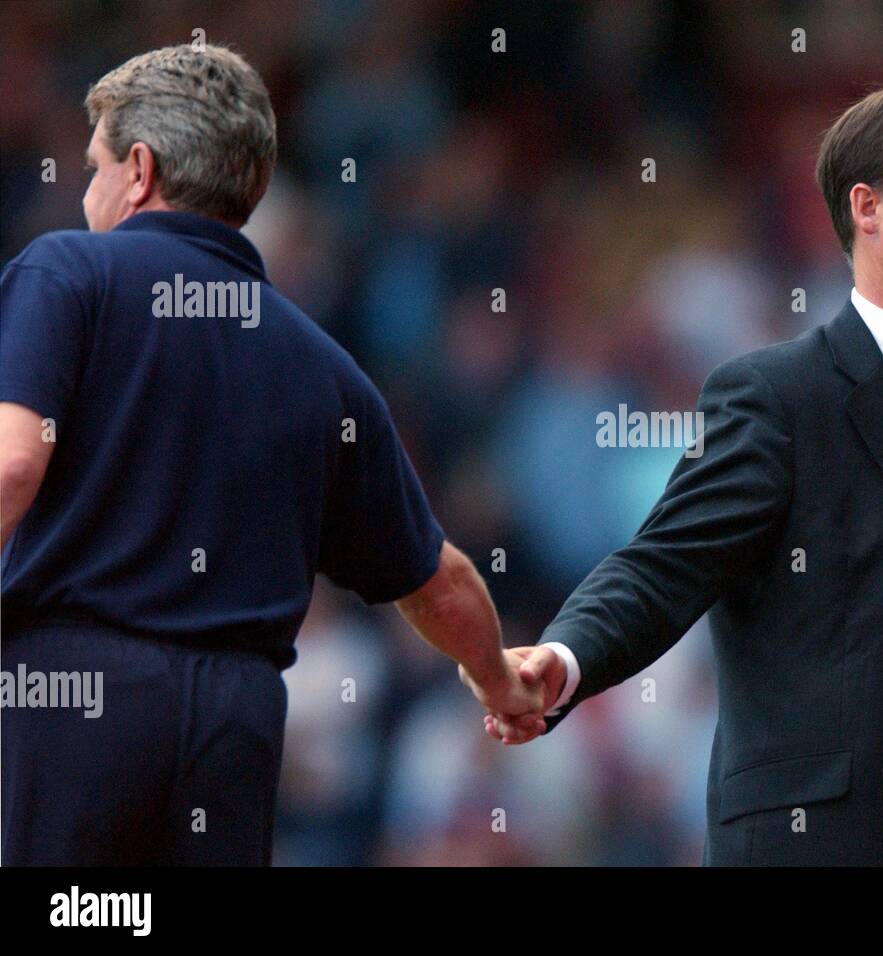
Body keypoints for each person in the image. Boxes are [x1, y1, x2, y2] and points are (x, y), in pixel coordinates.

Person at [469, 73, 883, 866]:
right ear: (868, 209)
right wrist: (565, 660)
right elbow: (663, 566)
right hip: (833, 836)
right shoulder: (778, 396)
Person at [0, 44, 538, 865]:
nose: (87, 193)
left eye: (94, 167)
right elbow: (437, 580)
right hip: (237, 721)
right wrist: (499, 680)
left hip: (76, 696)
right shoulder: (322, 365)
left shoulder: (67, 271)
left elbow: (10, 466)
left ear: (138, 170)